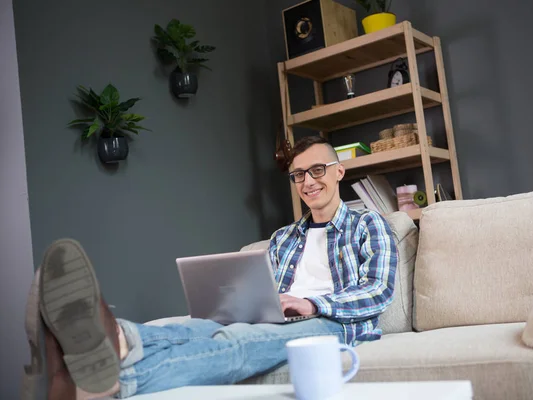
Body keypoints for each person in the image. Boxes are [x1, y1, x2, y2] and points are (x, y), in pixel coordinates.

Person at [22, 135, 399, 399]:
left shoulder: (370, 224)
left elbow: (378, 291)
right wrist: (238, 305)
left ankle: (89, 382)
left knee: (235, 345)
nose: (307, 182)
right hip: (274, 317)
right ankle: (112, 338)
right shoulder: (284, 237)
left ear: (338, 172)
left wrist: (312, 304)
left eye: (317, 170)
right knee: (191, 327)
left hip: (332, 323)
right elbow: (260, 289)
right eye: (298, 174)